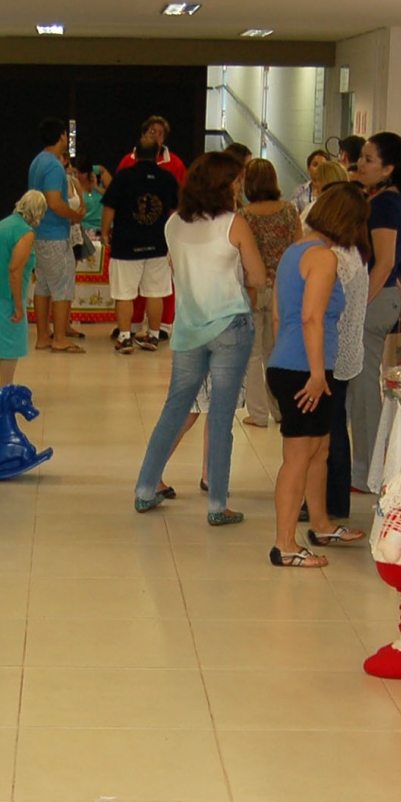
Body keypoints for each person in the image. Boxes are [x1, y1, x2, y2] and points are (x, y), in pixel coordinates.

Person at [131, 151, 266, 526]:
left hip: (189, 328)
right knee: (221, 417)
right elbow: (257, 277)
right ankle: (217, 504)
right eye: (236, 181)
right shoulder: (233, 224)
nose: (239, 187)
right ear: (224, 186)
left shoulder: (173, 224)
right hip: (230, 327)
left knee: (174, 409)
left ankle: (145, 488)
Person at [267, 184, 372, 565]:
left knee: (320, 448)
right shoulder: (323, 258)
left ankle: (322, 523)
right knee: (298, 456)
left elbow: (281, 317)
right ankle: (285, 544)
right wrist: (314, 373)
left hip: (293, 363)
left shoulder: (294, 251)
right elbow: (312, 318)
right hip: (304, 368)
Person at [336, 131, 401, 514]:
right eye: (361, 158)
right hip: (376, 295)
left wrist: (356, 307)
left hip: (370, 302)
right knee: (356, 387)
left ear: (388, 168)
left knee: (365, 390)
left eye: (368, 159)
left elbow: (383, 263)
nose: (359, 164)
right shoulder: (377, 200)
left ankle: (366, 470)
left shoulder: (386, 205)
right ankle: (361, 463)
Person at [239, 158, 304, 426]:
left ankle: (257, 413)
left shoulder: (243, 216)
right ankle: (281, 410)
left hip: (252, 288)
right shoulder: (289, 211)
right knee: (276, 351)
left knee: (252, 355)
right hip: (284, 289)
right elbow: (299, 249)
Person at [102, 131, 180, 355]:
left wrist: (106, 231)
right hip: (157, 244)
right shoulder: (167, 179)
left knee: (124, 294)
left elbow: (109, 207)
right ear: (157, 154)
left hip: (126, 245)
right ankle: (153, 336)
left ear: (135, 154)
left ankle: (125, 338)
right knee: (155, 292)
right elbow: (177, 209)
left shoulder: (123, 177)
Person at [117, 116, 189, 341]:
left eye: (158, 132)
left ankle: (164, 326)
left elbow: (182, 197)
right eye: (150, 130)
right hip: (132, 230)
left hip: (163, 231)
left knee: (162, 285)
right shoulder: (127, 161)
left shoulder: (175, 164)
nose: (154, 135)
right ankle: (132, 325)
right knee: (133, 284)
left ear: (164, 137)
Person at [0, 191, 46, 392]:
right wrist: (18, 305)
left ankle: (4, 386)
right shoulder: (25, 232)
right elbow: (15, 270)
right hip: (7, 293)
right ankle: (4, 389)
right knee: (11, 345)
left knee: (4, 344)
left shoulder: (2, 224)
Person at [27, 118, 82, 353]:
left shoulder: (37, 161)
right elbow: (53, 201)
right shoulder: (53, 165)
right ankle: (59, 336)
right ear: (61, 137)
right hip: (55, 234)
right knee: (62, 285)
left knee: (44, 286)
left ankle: (43, 337)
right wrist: (74, 215)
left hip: (39, 233)